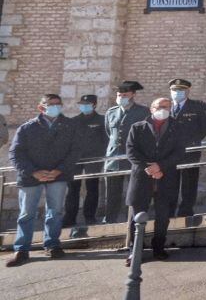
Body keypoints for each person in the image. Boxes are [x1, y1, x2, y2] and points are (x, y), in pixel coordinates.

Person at [6, 94, 80, 267]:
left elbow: (75, 151)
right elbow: (15, 153)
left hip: (58, 176)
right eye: (51, 104)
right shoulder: (27, 128)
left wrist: (59, 170)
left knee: (55, 212)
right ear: (41, 107)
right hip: (31, 177)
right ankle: (22, 249)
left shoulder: (70, 125)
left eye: (58, 104)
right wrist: (34, 172)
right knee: (26, 214)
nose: (55, 107)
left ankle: (52, 244)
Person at [125, 97, 186, 266]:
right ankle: (134, 250)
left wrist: (160, 167)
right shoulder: (137, 127)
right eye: (160, 106)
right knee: (136, 217)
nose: (163, 109)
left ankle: (158, 248)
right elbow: (131, 151)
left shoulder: (177, 127)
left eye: (167, 107)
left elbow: (180, 152)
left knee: (163, 216)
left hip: (166, 178)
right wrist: (149, 168)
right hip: (142, 178)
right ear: (151, 109)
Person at [103, 80, 150, 224]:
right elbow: (109, 132)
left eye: (124, 94)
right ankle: (110, 219)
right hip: (113, 159)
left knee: (135, 193)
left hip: (134, 159)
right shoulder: (111, 112)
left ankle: (134, 220)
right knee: (111, 193)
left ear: (133, 95)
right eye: (119, 95)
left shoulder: (143, 112)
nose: (121, 97)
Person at [63, 94, 107, 238]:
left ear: (94, 104)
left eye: (87, 104)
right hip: (75, 160)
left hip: (93, 159)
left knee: (92, 188)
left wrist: (101, 156)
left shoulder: (101, 120)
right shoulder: (74, 121)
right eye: (82, 104)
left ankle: (89, 216)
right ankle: (69, 217)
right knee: (72, 189)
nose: (84, 106)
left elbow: (106, 140)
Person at [167, 79, 206, 219]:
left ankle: (185, 212)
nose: (177, 93)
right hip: (170, 152)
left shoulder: (197, 106)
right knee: (170, 184)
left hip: (190, 151)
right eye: (174, 90)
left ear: (187, 91)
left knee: (189, 184)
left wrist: (193, 141)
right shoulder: (166, 106)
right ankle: (169, 212)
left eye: (180, 90)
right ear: (170, 91)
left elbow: (205, 126)